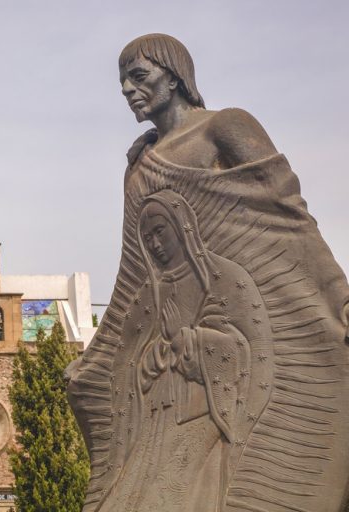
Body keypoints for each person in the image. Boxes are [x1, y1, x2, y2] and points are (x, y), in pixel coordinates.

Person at [66, 34, 349, 512]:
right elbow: (135, 275)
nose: (129, 91)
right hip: (165, 381)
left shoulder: (226, 127)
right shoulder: (138, 166)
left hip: (220, 354)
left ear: (174, 76)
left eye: (139, 77)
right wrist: (99, 356)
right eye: (122, 84)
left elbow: (287, 216)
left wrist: (337, 293)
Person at [97, 190, 271, 512]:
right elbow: (129, 363)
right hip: (157, 417)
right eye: (147, 238)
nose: (155, 245)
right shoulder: (150, 293)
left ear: (181, 226)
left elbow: (249, 352)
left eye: (160, 232)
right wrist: (153, 359)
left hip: (203, 415)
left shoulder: (227, 279)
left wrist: (195, 341)